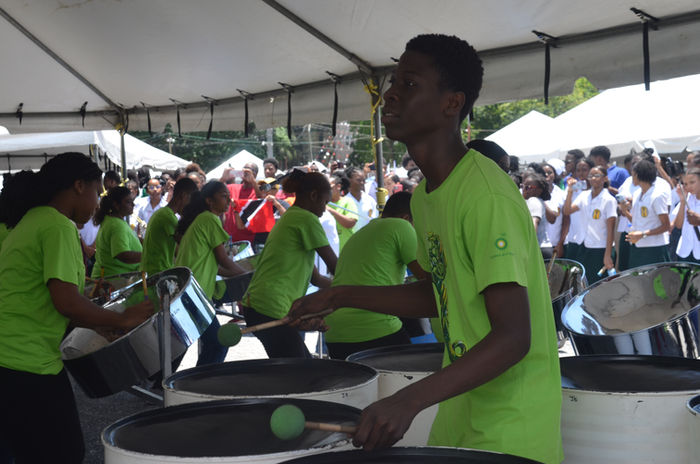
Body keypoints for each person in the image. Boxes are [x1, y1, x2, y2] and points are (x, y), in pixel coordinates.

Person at [287, 34, 562, 464]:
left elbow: (513, 337)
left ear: (452, 103)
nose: (391, 94)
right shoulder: (426, 198)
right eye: (394, 82)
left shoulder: (485, 195)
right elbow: (443, 294)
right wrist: (340, 296)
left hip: (510, 424)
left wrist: (408, 399)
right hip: (462, 409)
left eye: (410, 84)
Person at [0, 153, 152, 463]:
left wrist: (99, 321)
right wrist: (122, 318)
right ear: (79, 186)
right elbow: (66, 302)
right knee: (63, 454)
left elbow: (42, 295)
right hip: (27, 362)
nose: (97, 203)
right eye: (97, 192)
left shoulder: (32, 220)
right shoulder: (57, 226)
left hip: (10, 359)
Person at [239, 170, 338, 359]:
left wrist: (340, 290)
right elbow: (335, 267)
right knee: (299, 370)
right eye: (325, 202)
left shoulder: (291, 216)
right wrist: (358, 290)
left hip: (260, 305)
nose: (325, 209)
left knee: (295, 367)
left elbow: (316, 278)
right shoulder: (306, 218)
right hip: (269, 307)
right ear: (314, 196)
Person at [324, 192, 427, 359]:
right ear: (407, 217)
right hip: (373, 326)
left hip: (335, 332)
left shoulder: (363, 232)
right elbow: (426, 277)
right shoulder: (401, 225)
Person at [175, 181, 248, 365]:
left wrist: (239, 274)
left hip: (190, 291)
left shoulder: (203, 219)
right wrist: (248, 275)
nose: (228, 200)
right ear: (209, 200)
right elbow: (223, 259)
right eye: (223, 196)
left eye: (228, 197)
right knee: (218, 343)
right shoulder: (209, 219)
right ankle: (199, 380)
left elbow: (217, 266)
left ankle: (195, 378)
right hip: (193, 293)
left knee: (194, 344)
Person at [563, 166, 617, 284]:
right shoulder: (584, 196)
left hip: (600, 248)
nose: (593, 178)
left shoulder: (609, 200)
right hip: (584, 246)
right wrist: (570, 192)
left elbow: (610, 230)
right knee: (583, 283)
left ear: (605, 178)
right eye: (590, 176)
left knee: (598, 285)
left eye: (596, 176)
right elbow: (567, 211)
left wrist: (607, 255)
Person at [620, 159, 671, 268]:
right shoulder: (637, 193)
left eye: (633, 174)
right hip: (637, 246)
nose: (631, 177)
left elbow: (666, 226)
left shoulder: (657, 196)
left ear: (637, 175)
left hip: (654, 248)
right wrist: (625, 211)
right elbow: (636, 220)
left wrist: (643, 234)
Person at [141, 177, 198, 275]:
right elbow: (185, 247)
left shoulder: (162, 213)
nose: (190, 206)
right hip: (157, 273)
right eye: (190, 201)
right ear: (183, 196)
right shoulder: (167, 217)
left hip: (155, 271)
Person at [91, 186, 142, 278]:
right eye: (128, 202)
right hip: (113, 280)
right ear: (116, 205)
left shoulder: (113, 220)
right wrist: (148, 256)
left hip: (114, 278)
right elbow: (122, 254)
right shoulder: (116, 225)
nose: (133, 204)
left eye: (132, 201)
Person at [562, 158, 594, 260]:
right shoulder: (572, 188)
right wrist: (570, 190)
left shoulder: (597, 190)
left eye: (584, 170)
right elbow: (566, 212)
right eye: (578, 170)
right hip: (574, 237)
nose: (581, 173)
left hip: (593, 240)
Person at [522, 172, 553, 259]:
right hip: (541, 248)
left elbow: (534, 224)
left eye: (528, 187)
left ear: (539, 191)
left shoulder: (533, 201)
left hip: (538, 249)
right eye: (523, 186)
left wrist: (529, 248)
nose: (524, 189)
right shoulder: (535, 201)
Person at [672, 167, 700, 263]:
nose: (689, 186)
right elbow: (678, 225)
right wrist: (682, 201)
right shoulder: (687, 198)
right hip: (684, 250)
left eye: (692, 182)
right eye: (686, 184)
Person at [326, 173, 359, 251]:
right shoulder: (323, 204)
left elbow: (351, 223)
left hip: (346, 249)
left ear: (338, 186)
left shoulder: (348, 201)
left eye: (330, 188)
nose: (327, 191)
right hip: (330, 251)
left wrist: (331, 211)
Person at [345, 166, 377, 230]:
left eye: (363, 180)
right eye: (358, 180)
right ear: (349, 180)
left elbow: (375, 220)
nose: (362, 183)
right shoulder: (345, 201)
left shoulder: (370, 200)